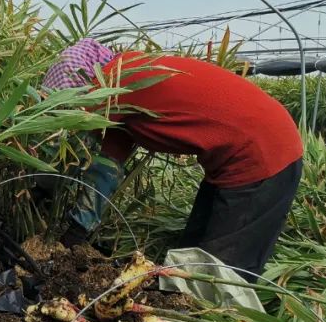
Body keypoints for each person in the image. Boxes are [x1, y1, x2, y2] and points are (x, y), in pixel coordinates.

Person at [44, 39, 302, 281]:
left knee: (218, 274)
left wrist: (42, 185)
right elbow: (106, 169)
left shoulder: (118, 82)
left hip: (263, 154)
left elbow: (70, 149)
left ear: (83, 88)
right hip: (239, 154)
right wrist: (79, 229)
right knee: (190, 257)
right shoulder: (124, 88)